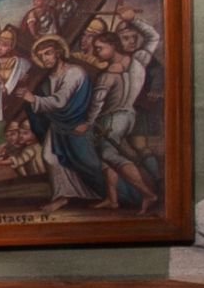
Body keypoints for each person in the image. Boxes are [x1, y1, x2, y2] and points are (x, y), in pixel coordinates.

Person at [88, 14, 163, 212]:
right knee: (106, 158)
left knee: (108, 154)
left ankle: (148, 194)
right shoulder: (139, 61)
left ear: (113, 46)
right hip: (129, 115)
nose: (96, 52)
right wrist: (135, 19)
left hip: (112, 118)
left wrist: (87, 122)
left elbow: (97, 103)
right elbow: (153, 37)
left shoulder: (108, 75)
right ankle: (112, 199)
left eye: (99, 48)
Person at [21, 34, 104, 206]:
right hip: (58, 125)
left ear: (58, 52)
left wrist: (33, 99)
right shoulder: (49, 79)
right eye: (41, 55)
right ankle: (63, 196)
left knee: (87, 163)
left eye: (48, 53)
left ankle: (108, 193)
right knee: (49, 157)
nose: (45, 58)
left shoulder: (74, 72)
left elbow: (60, 101)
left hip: (77, 124)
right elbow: (46, 105)